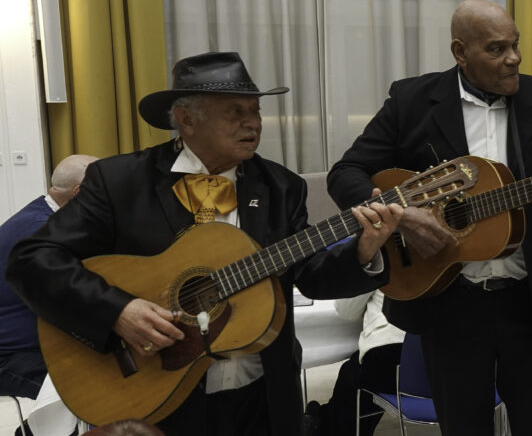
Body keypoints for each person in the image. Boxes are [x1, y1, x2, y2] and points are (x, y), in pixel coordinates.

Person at [5, 52, 403, 436]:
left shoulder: (281, 186)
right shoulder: (120, 181)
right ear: (186, 119)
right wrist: (118, 311)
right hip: (156, 392)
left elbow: (311, 276)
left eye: (256, 111)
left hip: (261, 395)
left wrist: (364, 250)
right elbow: (31, 259)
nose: (253, 123)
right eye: (235, 112)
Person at [327, 0, 532, 435]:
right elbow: (346, 173)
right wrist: (401, 215)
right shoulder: (412, 101)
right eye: (497, 49)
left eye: (515, 45)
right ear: (460, 52)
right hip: (448, 303)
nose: (514, 58)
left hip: (528, 302)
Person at [0, 154, 97, 401]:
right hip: (11, 356)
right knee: (92, 391)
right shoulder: (40, 231)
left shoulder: (41, 215)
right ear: (79, 192)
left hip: (28, 347)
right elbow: (72, 300)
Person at [304, 289, 404, 435]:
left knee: (356, 379)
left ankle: (321, 422)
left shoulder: (382, 272)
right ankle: (321, 419)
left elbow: (346, 310)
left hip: (390, 351)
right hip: (431, 364)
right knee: (354, 376)